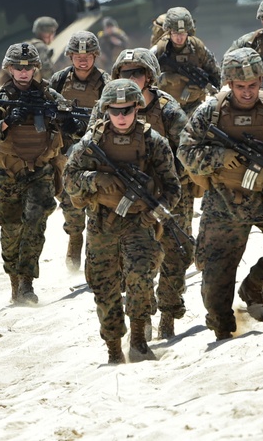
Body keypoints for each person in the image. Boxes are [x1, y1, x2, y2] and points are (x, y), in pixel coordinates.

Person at [178, 48, 263, 341]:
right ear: (228, 83)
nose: (248, 92)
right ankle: (224, 326)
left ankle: (254, 285)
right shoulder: (209, 112)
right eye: (240, 87)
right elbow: (186, 152)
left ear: (262, 80)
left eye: (253, 86)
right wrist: (220, 156)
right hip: (224, 199)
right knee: (215, 275)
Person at [63, 79, 181, 364]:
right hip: (102, 223)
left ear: (136, 108)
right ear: (106, 110)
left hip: (139, 223)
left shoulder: (154, 142)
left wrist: (154, 213)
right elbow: (68, 180)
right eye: (115, 111)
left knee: (140, 278)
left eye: (127, 110)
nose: (121, 116)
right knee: (104, 288)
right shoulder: (91, 143)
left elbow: (173, 188)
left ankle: (139, 340)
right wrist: (95, 180)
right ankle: (114, 348)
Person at [90, 48, 195, 339]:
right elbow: (89, 148)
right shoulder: (105, 108)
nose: (132, 78)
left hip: (169, 194)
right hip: (125, 198)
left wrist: (163, 182)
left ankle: (169, 314)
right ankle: (142, 315)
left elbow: (186, 152)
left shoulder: (168, 109)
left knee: (177, 253)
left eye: (137, 73)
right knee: (132, 260)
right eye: (125, 73)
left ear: (149, 76)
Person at [0, 42, 73, 305]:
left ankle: (27, 284)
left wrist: (62, 118)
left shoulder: (48, 95)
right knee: (11, 230)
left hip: (40, 171)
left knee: (35, 225)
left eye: (29, 68)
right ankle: (15, 283)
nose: (23, 72)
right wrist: (6, 121)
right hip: (9, 174)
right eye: (18, 67)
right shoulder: (2, 98)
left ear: (36, 69)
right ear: (9, 69)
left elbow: (71, 123)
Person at [48, 31, 110, 270]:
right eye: (77, 55)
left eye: (88, 55)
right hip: (66, 154)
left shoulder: (106, 82)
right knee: (69, 202)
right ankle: (75, 238)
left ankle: (95, 257)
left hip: (96, 154)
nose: (82, 60)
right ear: (70, 56)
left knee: (98, 203)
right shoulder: (59, 80)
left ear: (95, 56)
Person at [150, 7, 221, 117]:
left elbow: (216, 74)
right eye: (175, 33)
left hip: (195, 107)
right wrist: (164, 78)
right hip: (165, 106)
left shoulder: (198, 49)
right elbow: (144, 82)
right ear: (168, 31)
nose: (179, 38)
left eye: (183, 33)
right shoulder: (158, 50)